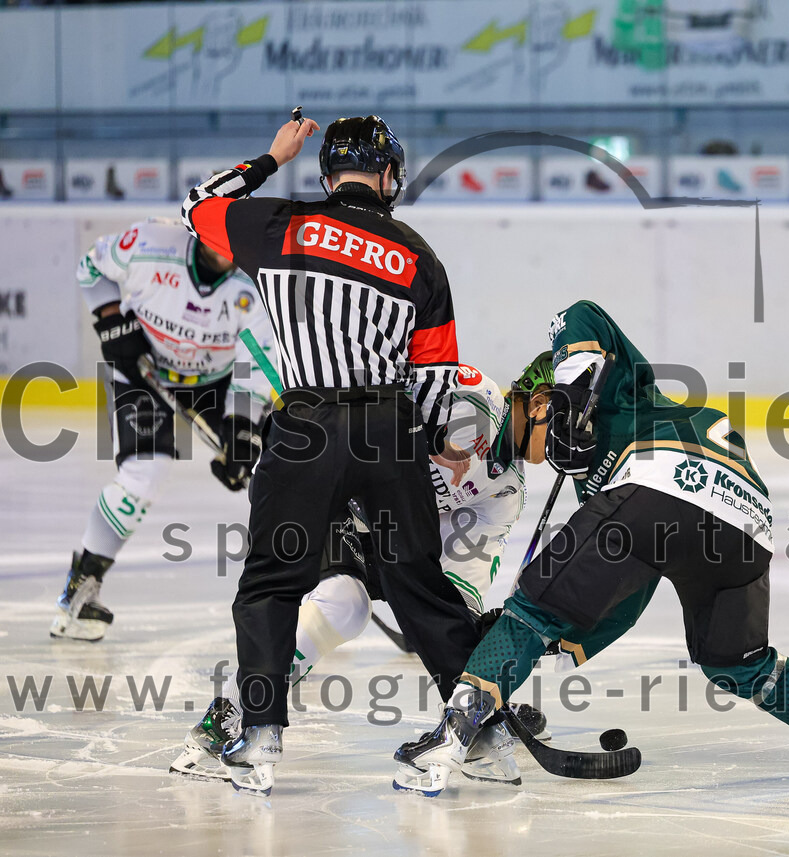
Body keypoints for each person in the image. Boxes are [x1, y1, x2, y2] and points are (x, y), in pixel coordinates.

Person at [393, 300, 789, 796]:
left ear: (540, 400)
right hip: (746, 523)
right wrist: (557, 641)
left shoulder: (621, 393)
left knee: (529, 611)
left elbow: (581, 315)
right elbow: (628, 596)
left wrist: (571, 399)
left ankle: (451, 739)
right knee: (740, 663)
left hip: (662, 479)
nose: (536, 460)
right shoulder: (603, 478)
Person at [181, 114, 483, 795]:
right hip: (389, 429)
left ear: (325, 173)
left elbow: (196, 207)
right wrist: (436, 440)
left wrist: (269, 159)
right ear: (388, 174)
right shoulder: (419, 255)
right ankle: (483, 730)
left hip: (305, 427)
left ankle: (260, 734)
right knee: (419, 583)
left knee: (270, 583)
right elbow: (435, 374)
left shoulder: (277, 224)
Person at [170, 355, 556, 788]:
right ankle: (234, 712)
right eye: (563, 424)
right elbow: (371, 392)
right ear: (538, 403)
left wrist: (471, 650)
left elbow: (455, 586)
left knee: (429, 614)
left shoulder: (506, 491)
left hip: (388, 527)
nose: (564, 445)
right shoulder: (471, 397)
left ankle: (470, 723)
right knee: (344, 605)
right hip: (323, 485)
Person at [51, 216, 275, 642]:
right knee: (144, 472)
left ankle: (321, 580)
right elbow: (91, 267)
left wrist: (242, 430)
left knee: (277, 468)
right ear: (199, 229)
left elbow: (257, 359)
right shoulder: (150, 242)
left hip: (216, 381)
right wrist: (112, 321)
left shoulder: (257, 282)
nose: (226, 247)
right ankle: (79, 588)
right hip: (142, 366)